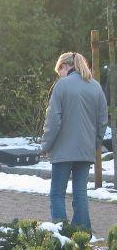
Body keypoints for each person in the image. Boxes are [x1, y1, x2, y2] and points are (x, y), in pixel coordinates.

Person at [42, 52, 108, 231]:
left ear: (64, 66)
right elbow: (103, 120)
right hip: (86, 150)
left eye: (59, 71)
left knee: (57, 194)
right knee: (80, 193)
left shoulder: (61, 85)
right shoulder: (95, 86)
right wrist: (95, 143)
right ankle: (82, 233)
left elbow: (53, 120)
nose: (60, 75)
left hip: (62, 150)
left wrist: (46, 145)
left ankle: (61, 235)